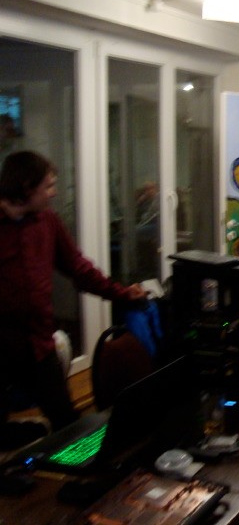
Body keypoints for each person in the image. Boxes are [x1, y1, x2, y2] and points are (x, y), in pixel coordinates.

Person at [0, 151, 147, 441]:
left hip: (39, 345)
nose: (54, 193)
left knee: (68, 425)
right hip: (2, 346)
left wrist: (121, 294)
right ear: (27, 187)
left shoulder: (48, 221)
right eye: (48, 186)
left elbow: (79, 268)